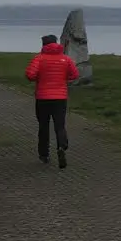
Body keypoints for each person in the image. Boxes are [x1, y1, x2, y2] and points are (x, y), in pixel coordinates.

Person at [25, 34, 80, 168]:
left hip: (43, 98)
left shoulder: (39, 59)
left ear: (43, 45)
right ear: (55, 43)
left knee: (43, 126)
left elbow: (30, 75)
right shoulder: (65, 59)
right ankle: (61, 146)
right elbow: (75, 74)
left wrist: (39, 78)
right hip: (60, 98)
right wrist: (63, 77)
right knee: (59, 125)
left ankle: (44, 154)